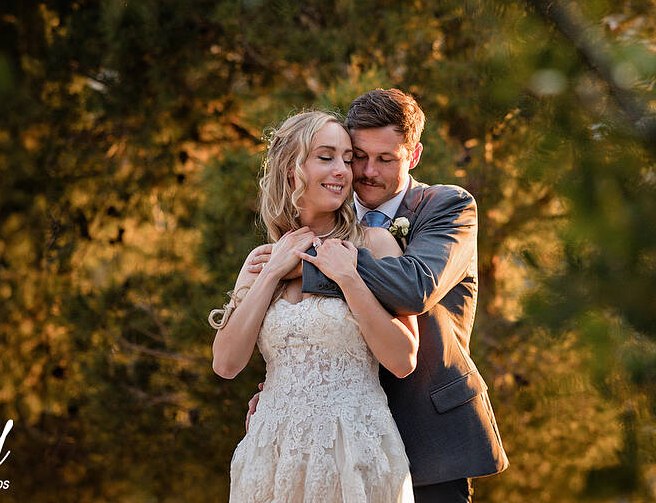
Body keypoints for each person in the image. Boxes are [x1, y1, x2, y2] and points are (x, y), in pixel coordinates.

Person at [245, 88, 508, 503]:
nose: (366, 171)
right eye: (357, 156)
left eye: (385, 159)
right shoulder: (323, 214)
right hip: (338, 439)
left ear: (414, 155)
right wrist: (289, 386)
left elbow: (415, 286)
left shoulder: (448, 206)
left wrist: (307, 265)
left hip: (428, 431)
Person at [211, 109, 417, 503]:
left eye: (346, 158)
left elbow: (403, 358)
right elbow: (226, 363)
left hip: (354, 448)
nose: (343, 170)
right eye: (326, 157)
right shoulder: (261, 260)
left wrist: (350, 278)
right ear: (292, 168)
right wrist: (271, 273)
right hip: (272, 451)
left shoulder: (374, 245)